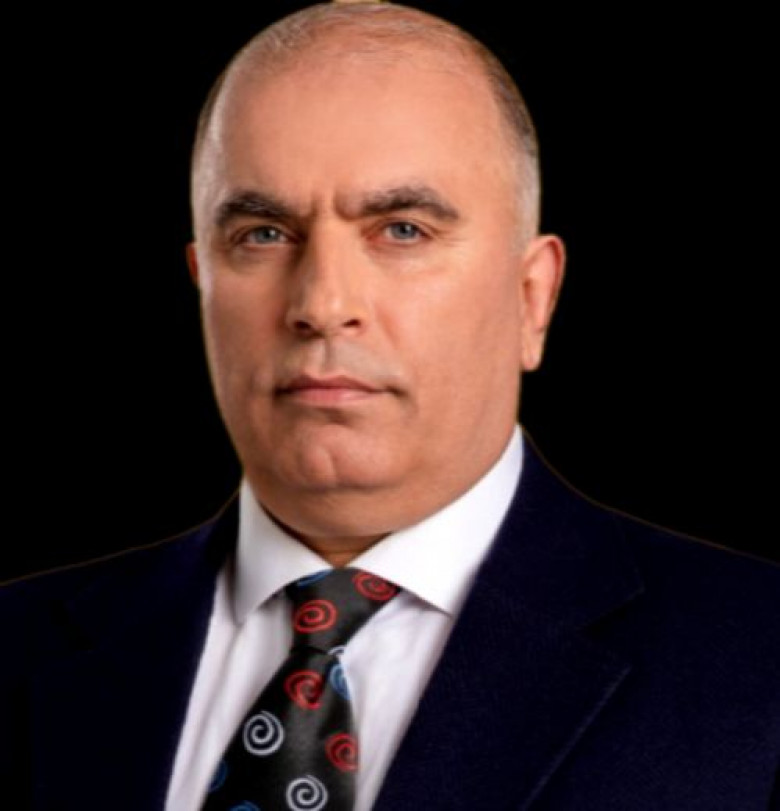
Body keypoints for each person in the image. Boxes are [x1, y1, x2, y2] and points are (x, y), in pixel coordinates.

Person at [2, 2, 778, 809]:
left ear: (532, 297)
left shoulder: (759, 662)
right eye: (264, 233)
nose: (322, 303)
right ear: (203, 286)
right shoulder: (18, 646)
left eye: (402, 230)